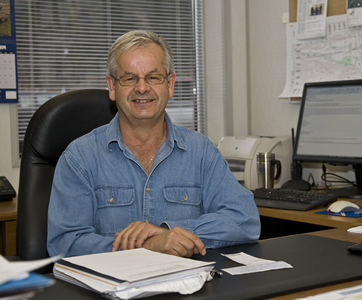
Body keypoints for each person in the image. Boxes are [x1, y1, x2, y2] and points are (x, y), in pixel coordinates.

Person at [47, 30, 261, 258]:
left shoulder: (201, 152)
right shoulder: (79, 158)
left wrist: (170, 233)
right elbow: (64, 244)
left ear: (170, 84)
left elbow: (245, 218)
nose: (142, 88)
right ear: (112, 86)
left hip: (186, 287)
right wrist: (146, 247)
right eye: (129, 78)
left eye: (153, 77)